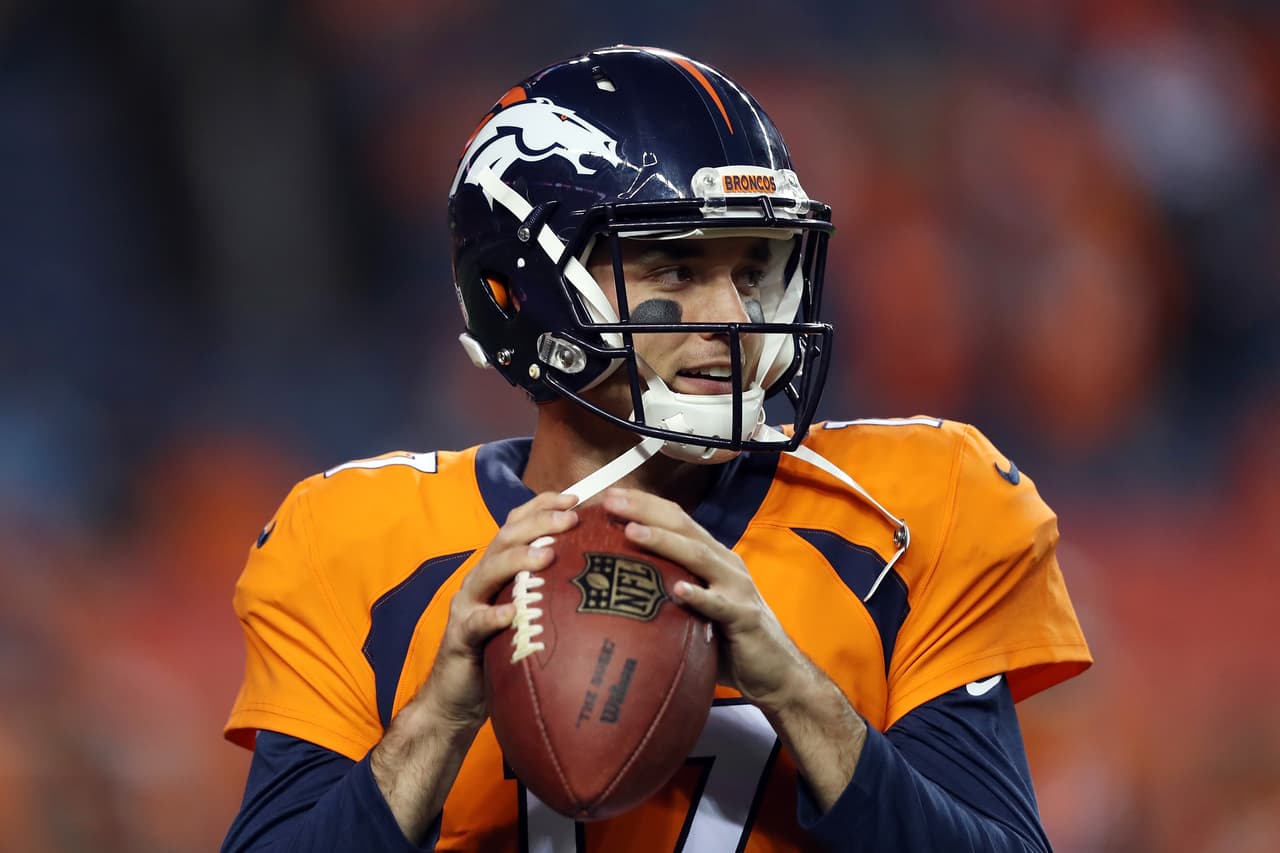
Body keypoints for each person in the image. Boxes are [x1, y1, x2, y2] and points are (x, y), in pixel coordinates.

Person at [221, 45, 1092, 852]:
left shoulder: (916, 507)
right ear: (522, 288)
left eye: (754, 268)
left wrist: (799, 695)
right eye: (677, 268)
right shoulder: (351, 543)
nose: (736, 318)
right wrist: (437, 721)